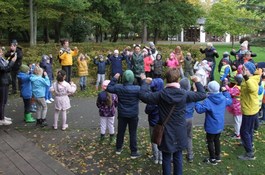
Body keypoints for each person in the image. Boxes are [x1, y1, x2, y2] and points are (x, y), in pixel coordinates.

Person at [139, 68, 206, 175]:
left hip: (165, 131)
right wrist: (197, 81)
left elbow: (143, 96)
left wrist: (145, 82)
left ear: (166, 80)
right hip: (179, 131)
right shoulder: (184, 94)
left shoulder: (160, 95)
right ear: (178, 80)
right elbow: (202, 94)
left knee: (166, 158)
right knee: (178, 158)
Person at [106, 70, 141, 159]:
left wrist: (114, 78)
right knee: (133, 132)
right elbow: (146, 90)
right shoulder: (137, 88)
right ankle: (133, 151)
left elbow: (109, 88)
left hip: (122, 113)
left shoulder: (119, 87)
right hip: (133, 114)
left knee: (121, 131)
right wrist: (144, 81)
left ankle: (119, 148)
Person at [195, 81, 232, 165]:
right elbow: (229, 101)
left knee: (210, 141)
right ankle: (217, 156)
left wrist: (197, 99)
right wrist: (226, 92)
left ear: (208, 89)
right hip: (219, 124)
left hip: (211, 126)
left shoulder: (208, 102)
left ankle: (212, 158)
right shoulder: (223, 98)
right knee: (217, 139)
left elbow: (199, 109)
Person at [238, 62, 260, 160]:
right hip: (250, 108)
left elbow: (252, 89)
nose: (244, 71)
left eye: (245, 70)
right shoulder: (248, 79)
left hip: (249, 110)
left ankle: (249, 153)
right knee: (248, 129)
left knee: (244, 131)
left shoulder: (252, 80)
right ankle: (248, 143)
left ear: (250, 71)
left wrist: (246, 77)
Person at [145, 78, 164, 165]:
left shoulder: (152, 98)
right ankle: (161, 157)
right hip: (162, 121)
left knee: (154, 139)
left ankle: (156, 157)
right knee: (161, 139)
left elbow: (147, 110)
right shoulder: (164, 96)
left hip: (153, 122)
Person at [179, 77, 197, 163]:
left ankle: (179, 153)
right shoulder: (192, 95)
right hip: (190, 117)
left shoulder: (179, 95)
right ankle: (190, 154)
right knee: (189, 136)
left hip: (181, 118)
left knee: (180, 135)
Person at [0, 48, 16, 125]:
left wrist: (10, 59)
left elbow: (6, 65)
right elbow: (6, 69)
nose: (2, 54)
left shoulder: (1, 60)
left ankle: (1, 116)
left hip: (4, 81)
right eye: (0, 52)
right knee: (2, 101)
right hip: (2, 82)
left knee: (3, 101)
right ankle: (2, 119)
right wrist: (12, 62)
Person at [224, 75, 243, 139]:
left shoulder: (237, 88)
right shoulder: (243, 86)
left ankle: (237, 134)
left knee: (237, 120)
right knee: (240, 119)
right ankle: (240, 131)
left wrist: (226, 84)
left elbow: (230, 92)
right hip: (241, 104)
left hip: (237, 105)